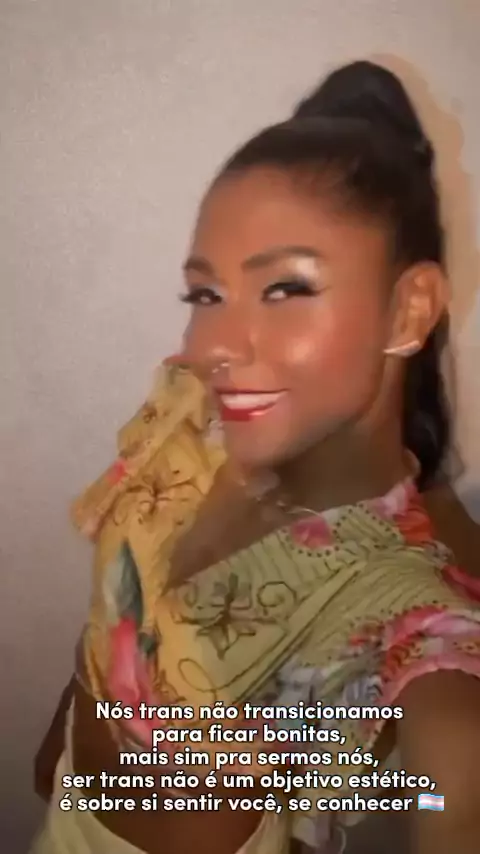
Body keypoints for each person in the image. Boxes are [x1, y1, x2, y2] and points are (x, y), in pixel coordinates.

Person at [32, 60, 480, 854]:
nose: (217, 346)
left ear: (408, 311)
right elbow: (125, 592)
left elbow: (454, 783)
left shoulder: (405, 592)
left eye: (284, 290)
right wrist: (67, 738)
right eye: (207, 295)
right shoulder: (190, 405)